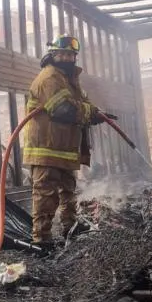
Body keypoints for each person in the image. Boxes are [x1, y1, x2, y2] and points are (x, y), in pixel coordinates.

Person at [23, 35, 107, 250]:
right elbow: (63, 110)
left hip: (63, 148)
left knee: (68, 191)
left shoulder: (68, 79)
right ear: (52, 55)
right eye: (62, 54)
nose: (67, 58)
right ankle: (41, 240)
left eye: (71, 54)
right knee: (45, 195)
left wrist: (95, 113)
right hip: (47, 147)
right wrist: (90, 113)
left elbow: (82, 104)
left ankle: (71, 227)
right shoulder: (49, 77)